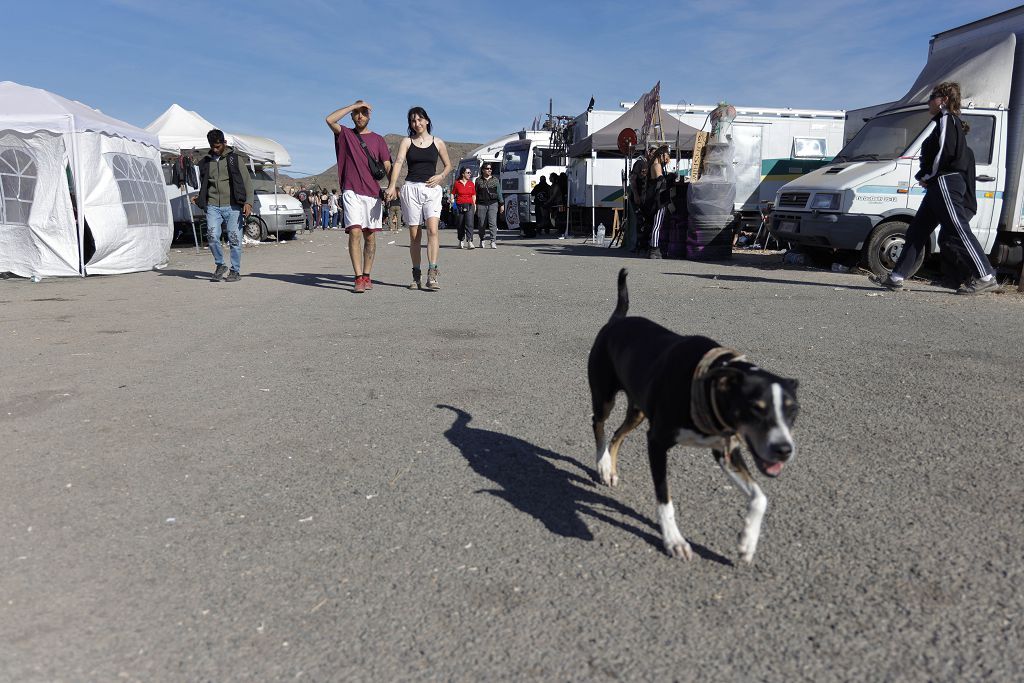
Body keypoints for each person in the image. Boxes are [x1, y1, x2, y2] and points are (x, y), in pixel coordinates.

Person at [871, 82, 1000, 295]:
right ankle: (896, 277)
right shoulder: (942, 121)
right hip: (938, 184)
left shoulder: (947, 120)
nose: (929, 101)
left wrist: (928, 176)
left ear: (944, 100)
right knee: (917, 230)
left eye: (933, 96)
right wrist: (929, 177)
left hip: (945, 182)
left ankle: (986, 276)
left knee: (957, 228)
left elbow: (944, 153)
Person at [326, 100, 393, 293]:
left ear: (369, 116)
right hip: (351, 190)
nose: (360, 116)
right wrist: (353, 105)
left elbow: (387, 164)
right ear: (352, 116)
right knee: (355, 232)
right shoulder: (345, 134)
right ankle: (357, 278)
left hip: (372, 193)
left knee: (370, 237)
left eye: (364, 113)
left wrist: (392, 185)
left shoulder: (378, 139)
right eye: (356, 113)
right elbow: (329, 119)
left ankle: (367, 275)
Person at [386, 107, 453, 291]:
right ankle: (416, 275)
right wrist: (392, 185)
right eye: (413, 121)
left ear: (427, 121)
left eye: (420, 119)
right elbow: (399, 162)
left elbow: (448, 166)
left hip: (431, 189)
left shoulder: (438, 142)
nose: (417, 123)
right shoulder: (407, 141)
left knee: (432, 230)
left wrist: (440, 177)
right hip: (411, 189)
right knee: (415, 235)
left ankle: (432, 273)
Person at [194, 129, 253, 282]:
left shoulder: (234, 159)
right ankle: (220, 265)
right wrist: (200, 197)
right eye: (212, 146)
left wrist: (248, 202)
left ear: (224, 143)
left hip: (233, 206)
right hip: (213, 205)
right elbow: (205, 183)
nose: (215, 149)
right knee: (212, 236)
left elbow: (247, 182)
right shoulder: (206, 162)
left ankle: (235, 270)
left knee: (234, 239)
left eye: (218, 146)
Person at [646, 145, 672, 259]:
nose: (667, 159)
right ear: (662, 154)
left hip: (657, 197)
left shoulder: (656, 165)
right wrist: (670, 177)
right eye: (666, 155)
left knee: (657, 223)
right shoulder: (656, 165)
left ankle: (654, 248)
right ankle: (654, 248)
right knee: (657, 224)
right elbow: (661, 181)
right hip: (658, 198)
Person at [474, 163, 503, 248]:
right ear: (483, 170)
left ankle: (493, 241)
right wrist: (475, 205)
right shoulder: (478, 180)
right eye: (487, 168)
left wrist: (501, 204)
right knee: (481, 223)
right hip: (481, 204)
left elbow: (499, 193)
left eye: (490, 168)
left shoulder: (495, 180)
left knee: (492, 223)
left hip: (493, 204)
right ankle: (482, 239)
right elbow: (475, 193)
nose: (489, 170)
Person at [451, 166, 476, 249]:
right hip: (459, 205)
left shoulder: (471, 183)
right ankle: (461, 241)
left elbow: (473, 195)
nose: (470, 174)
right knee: (460, 224)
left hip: (469, 205)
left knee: (469, 224)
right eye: (468, 172)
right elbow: (453, 193)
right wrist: (451, 199)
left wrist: (474, 205)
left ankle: (470, 242)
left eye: (470, 173)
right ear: (463, 174)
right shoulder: (457, 183)